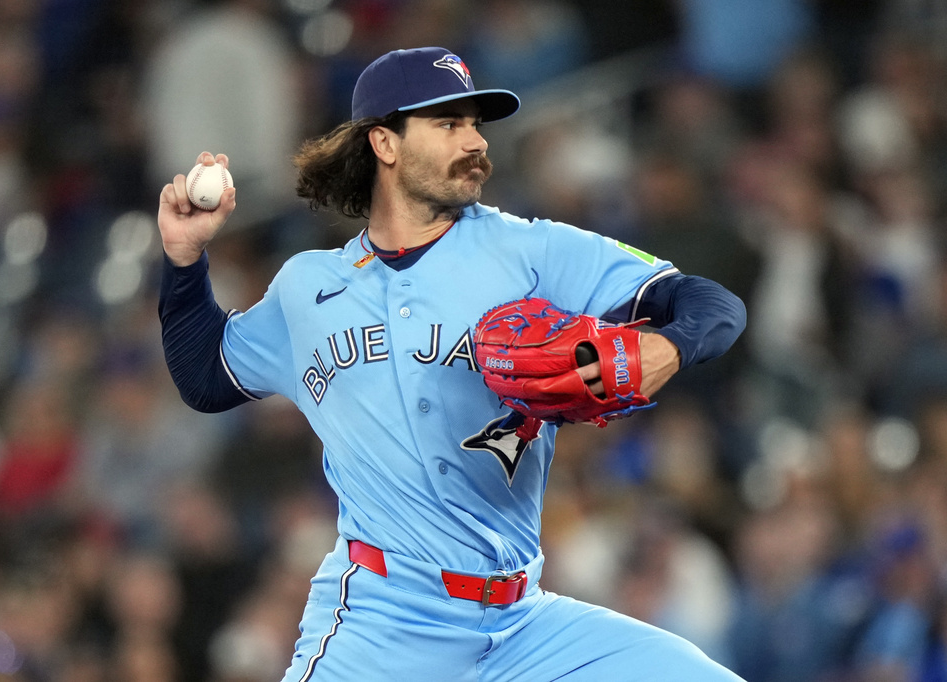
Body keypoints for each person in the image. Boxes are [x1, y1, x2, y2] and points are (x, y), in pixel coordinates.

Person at [157, 47, 746, 681]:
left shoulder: (530, 250)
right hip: (382, 627)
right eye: (447, 124)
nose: (473, 141)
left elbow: (710, 304)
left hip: (523, 627)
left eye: (475, 124)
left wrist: (666, 346)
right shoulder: (308, 289)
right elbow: (206, 377)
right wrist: (184, 261)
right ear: (384, 142)